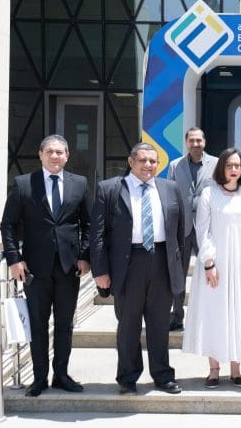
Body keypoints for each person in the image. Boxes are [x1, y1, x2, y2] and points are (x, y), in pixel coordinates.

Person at [0, 134, 90, 397]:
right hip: (35, 268)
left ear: (67, 156)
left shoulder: (80, 184)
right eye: (49, 151)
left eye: (60, 152)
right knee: (38, 323)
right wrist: (14, 259)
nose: (54, 156)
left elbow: (88, 224)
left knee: (64, 324)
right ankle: (39, 378)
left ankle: (61, 375)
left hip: (68, 267)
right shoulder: (23, 184)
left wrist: (85, 256)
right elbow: (8, 225)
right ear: (40, 154)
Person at [91, 142, 185, 395]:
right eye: (143, 160)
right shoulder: (110, 189)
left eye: (153, 161)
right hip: (128, 263)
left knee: (160, 324)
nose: (148, 165)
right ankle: (127, 377)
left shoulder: (170, 188)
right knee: (128, 324)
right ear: (131, 161)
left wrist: (177, 265)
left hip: (162, 261)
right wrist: (100, 270)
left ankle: (162, 375)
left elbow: (179, 232)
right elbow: (97, 234)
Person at [183, 147, 241, 389]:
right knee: (215, 314)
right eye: (229, 165)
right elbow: (202, 231)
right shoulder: (209, 193)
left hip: (240, 265)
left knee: (238, 313)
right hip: (215, 264)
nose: (234, 169)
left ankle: (236, 369)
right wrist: (209, 263)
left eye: (238, 165)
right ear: (222, 168)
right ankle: (214, 370)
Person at [166, 127, 218, 332]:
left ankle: (210, 316)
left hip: (208, 227)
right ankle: (177, 315)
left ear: (204, 142)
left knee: (211, 271)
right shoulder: (175, 165)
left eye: (199, 140)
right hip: (182, 228)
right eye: (192, 141)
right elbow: (169, 196)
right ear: (186, 143)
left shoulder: (216, 164)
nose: (195, 144)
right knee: (178, 274)